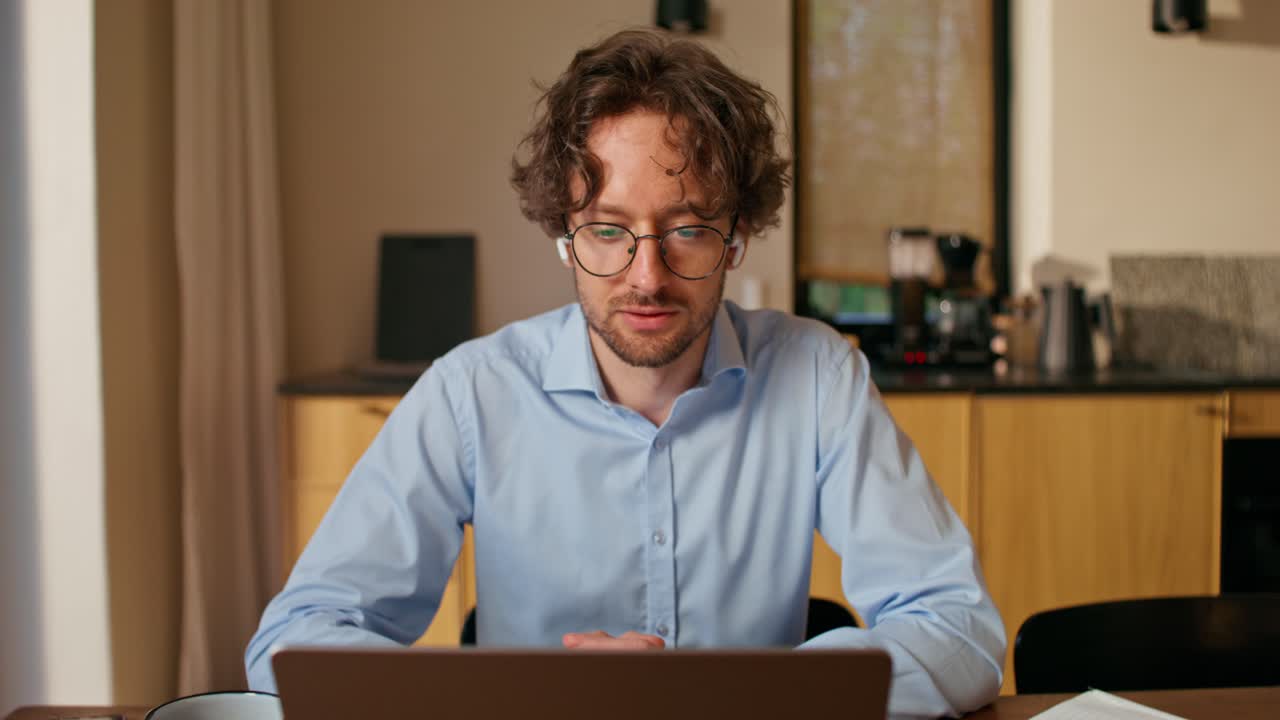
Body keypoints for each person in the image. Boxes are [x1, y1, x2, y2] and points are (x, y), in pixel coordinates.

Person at [246, 29, 1005, 717]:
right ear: (564, 233)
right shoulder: (470, 392)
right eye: (608, 231)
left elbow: (959, 628)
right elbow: (293, 643)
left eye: (687, 230)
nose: (647, 276)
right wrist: (519, 698)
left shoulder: (817, 377)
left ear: (737, 236)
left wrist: (725, 698)